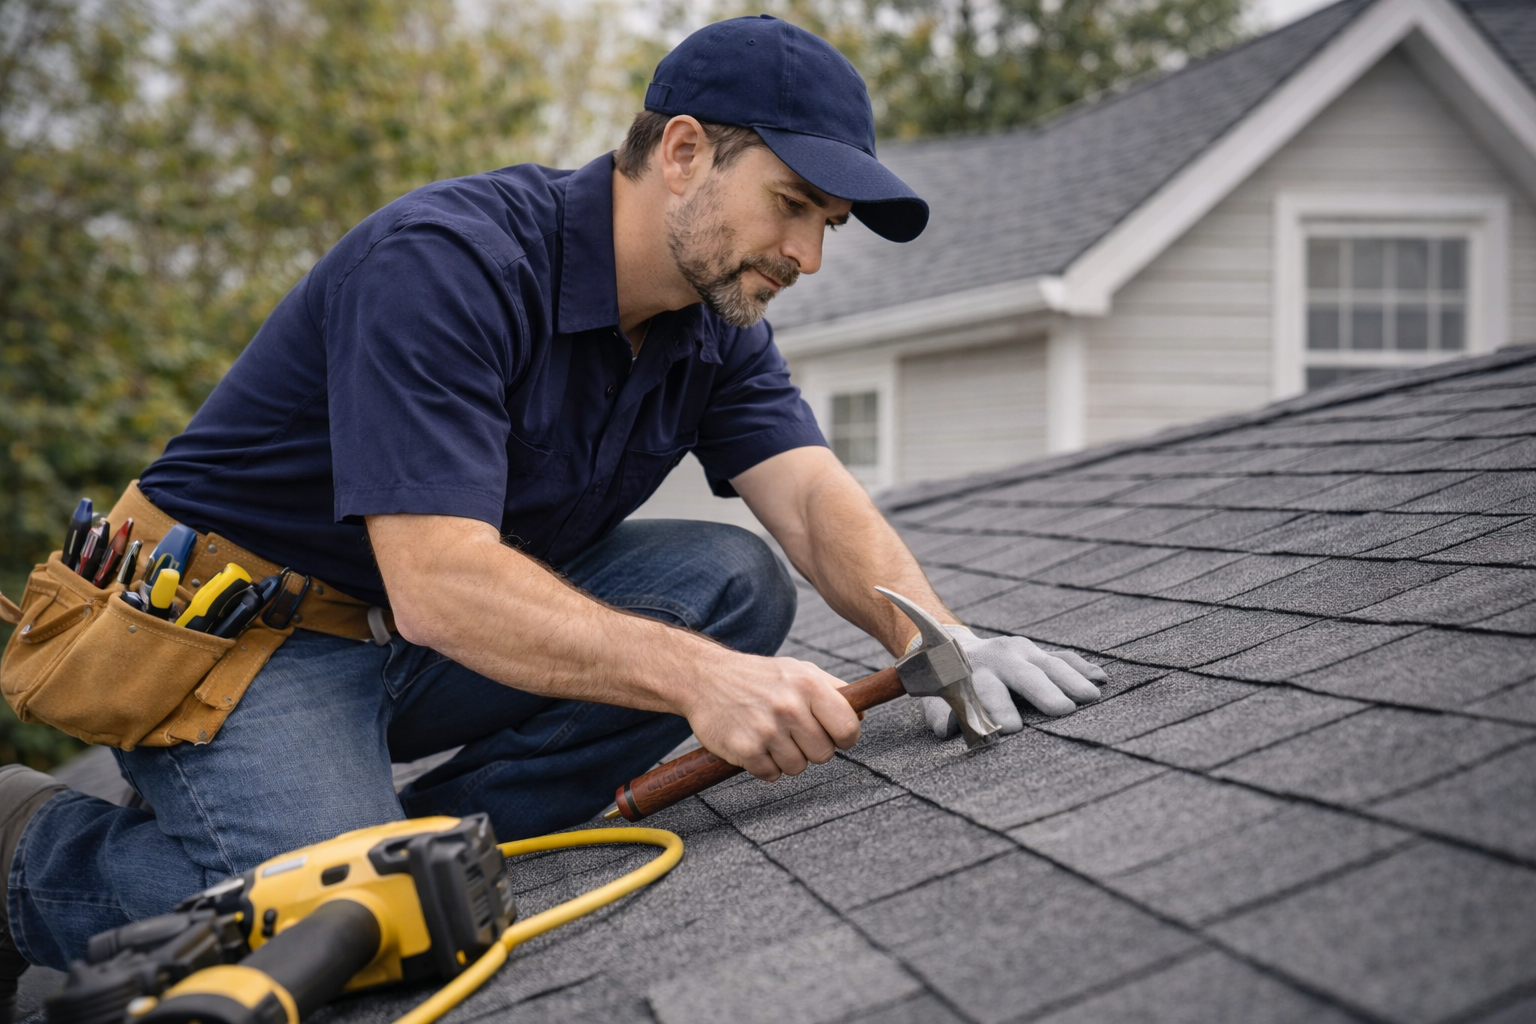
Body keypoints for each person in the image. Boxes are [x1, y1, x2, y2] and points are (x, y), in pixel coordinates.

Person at [0, 15, 1104, 1016]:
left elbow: (811, 500)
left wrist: (936, 634)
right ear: (682, 152)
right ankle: (28, 849)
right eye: (793, 205)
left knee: (732, 584)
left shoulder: (712, 321)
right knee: (350, 921)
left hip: (416, 634)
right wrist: (699, 680)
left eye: (830, 222)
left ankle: (465, 847)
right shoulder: (448, 264)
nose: (808, 256)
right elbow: (441, 581)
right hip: (235, 637)